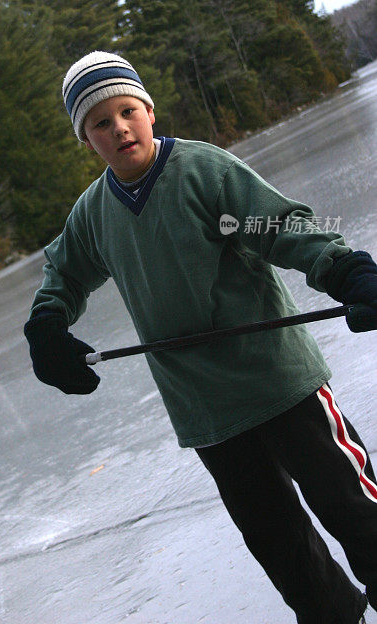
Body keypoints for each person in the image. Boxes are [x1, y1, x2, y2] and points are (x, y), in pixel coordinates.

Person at [24, 51, 377, 624]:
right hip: (209, 415)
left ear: (149, 111)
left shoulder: (202, 172)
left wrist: (344, 271)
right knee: (283, 550)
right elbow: (62, 276)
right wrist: (47, 329)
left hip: (280, 383)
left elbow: (277, 227)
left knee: (354, 510)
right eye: (100, 122)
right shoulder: (93, 216)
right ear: (86, 141)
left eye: (127, 111)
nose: (118, 128)